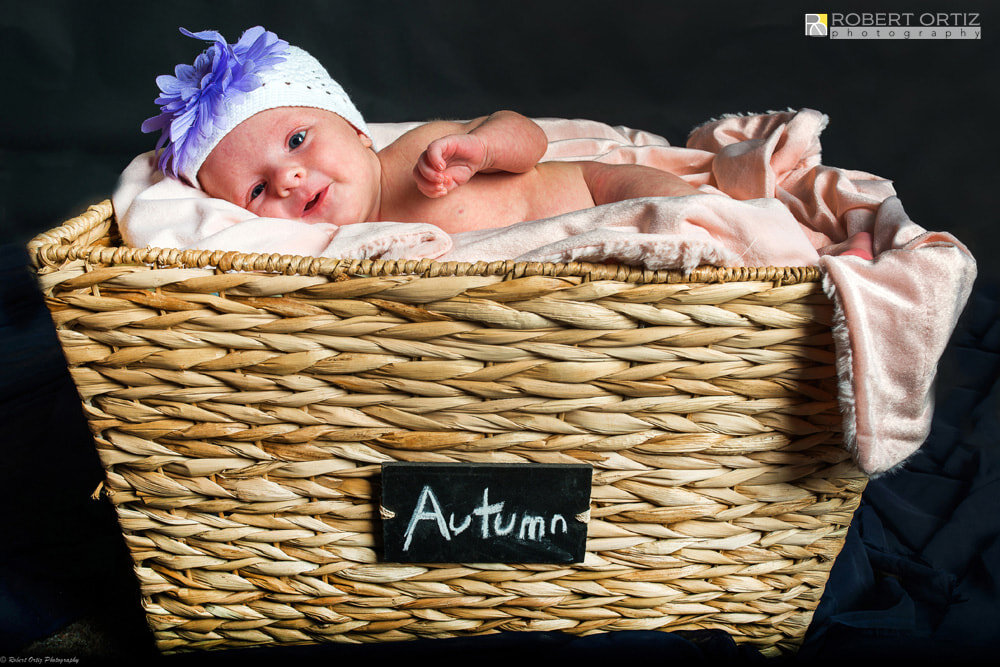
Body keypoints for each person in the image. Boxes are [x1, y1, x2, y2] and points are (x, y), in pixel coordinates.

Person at [142, 27, 699, 236]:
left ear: (357, 131)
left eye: (296, 141)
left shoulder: (415, 152)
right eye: (257, 191)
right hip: (565, 276)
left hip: (597, 193)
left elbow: (528, 138)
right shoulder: (329, 250)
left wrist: (482, 149)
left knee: (688, 219)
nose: (288, 177)